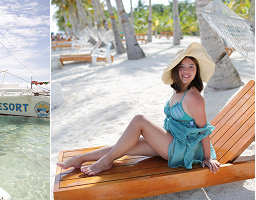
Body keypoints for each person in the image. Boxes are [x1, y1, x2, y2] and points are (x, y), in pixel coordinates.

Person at [57, 43, 220, 175]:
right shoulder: (179, 91)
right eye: (182, 67)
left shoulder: (194, 98)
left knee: (139, 120)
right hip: (171, 140)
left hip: (182, 149)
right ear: (176, 70)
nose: (186, 71)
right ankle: (80, 158)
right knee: (123, 146)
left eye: (191, 67)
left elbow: (203, 130)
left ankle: (105, 162)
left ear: (197, 70)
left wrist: (207, 157)